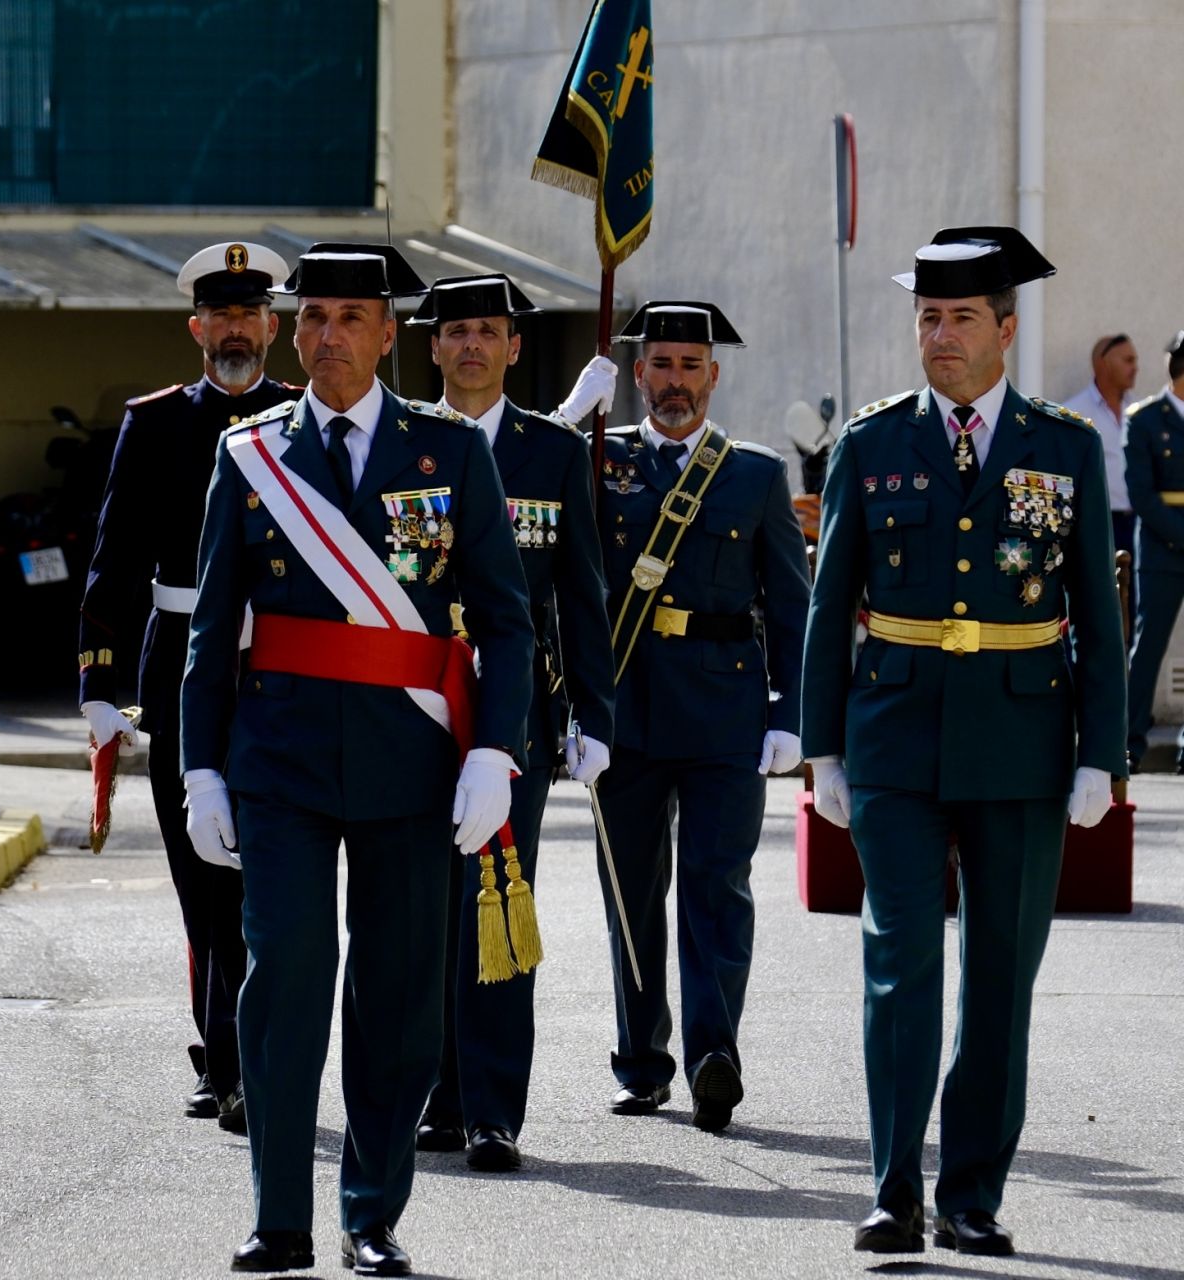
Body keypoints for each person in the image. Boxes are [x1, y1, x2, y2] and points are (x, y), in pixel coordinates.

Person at [181, 246, 533, 1277]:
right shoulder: (249, 456)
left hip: (411, 761)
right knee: (285, 974)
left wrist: (494, 754)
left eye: (349, 316)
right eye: (313, 316)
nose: (325, 333)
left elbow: (507, 624)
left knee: (397, 993)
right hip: (280, 760)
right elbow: (214, 627)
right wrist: (203, 764)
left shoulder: (452, 452)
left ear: (390, 333)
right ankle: (278, 1215)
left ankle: (371, 1212)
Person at [803, 227, 1125, 1257]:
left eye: (960, 319)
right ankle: (894, 1187)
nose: (940, 337)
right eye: (927, 317)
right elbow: (828, 602)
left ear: (1005, 328)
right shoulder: (873, 441)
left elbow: (1102, 618)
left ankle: (972, 1190)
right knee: (900, 963)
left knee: (998, 977)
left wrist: (1100, 752)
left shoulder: (1064, 447)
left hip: (1024, 736)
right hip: (894, 732)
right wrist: (821, 749)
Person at [76, 241, 294, 1131]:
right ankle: (221, 1049)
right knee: (198, 872)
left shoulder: (301, 417)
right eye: (222, 315)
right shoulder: (156, 421)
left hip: (279, 666)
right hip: (178, 662)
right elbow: (115, 553)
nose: (236, 329)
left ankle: (243, 1059)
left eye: (251, 315)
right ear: (197, 326)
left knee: (263, 876)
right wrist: (99, 677)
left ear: (273, 328)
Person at [404, 274, 617, 1172]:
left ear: (515, 348)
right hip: (411, 708)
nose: (471, 348)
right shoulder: (399, 442)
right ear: (434, 347)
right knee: (419, 910)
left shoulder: (552, 453)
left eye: (488, 333)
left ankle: (494, 1108)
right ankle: (436, 1098)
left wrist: (593, 715)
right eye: (456, 334)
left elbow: (582, 593)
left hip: (511, 713)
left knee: (498, 898)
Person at [592, 301, 810, 1133]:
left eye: (690, 367)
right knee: (632, 895)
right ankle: (641, 1063)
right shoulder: (597, 462)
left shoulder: (752, 473)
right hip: (627, 708)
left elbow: (793, 603)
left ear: (713, 376)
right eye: (660, 366)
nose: (674, 382)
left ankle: (715, 1053)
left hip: (727, 712)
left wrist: (791, 711)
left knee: (718, 888)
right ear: (638, 374)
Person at [1123, 331, 1184, 772]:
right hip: (1163, 549)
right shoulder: (1144, 419)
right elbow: (1142, 495)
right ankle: (1129, 742)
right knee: (1149, 648)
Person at [1062, 334, 1138, 558]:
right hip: (1097, 521)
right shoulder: (1074, 414)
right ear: (1103, 364)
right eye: (1128, 360)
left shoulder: (1140, 411)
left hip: (1138, 521)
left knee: (1137, 592)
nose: (1136, 368)